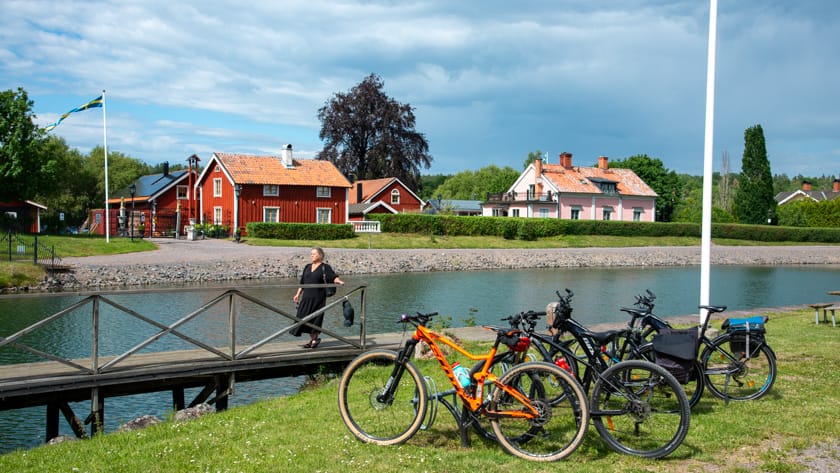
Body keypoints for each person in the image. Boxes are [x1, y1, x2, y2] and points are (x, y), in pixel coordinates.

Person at [291, 247, 344, 348]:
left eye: (314, 254)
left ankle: (313, 340)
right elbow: (302, 282)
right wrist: (298, 294)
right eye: (311, 254)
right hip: (306, 298)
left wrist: (338, 281)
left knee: (316, 319)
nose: (312, 255)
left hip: (318, 298)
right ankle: (313, 339)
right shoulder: (307, 267)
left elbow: (333, 277)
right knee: (302, 317)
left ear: (320, 255)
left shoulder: (325, 267)